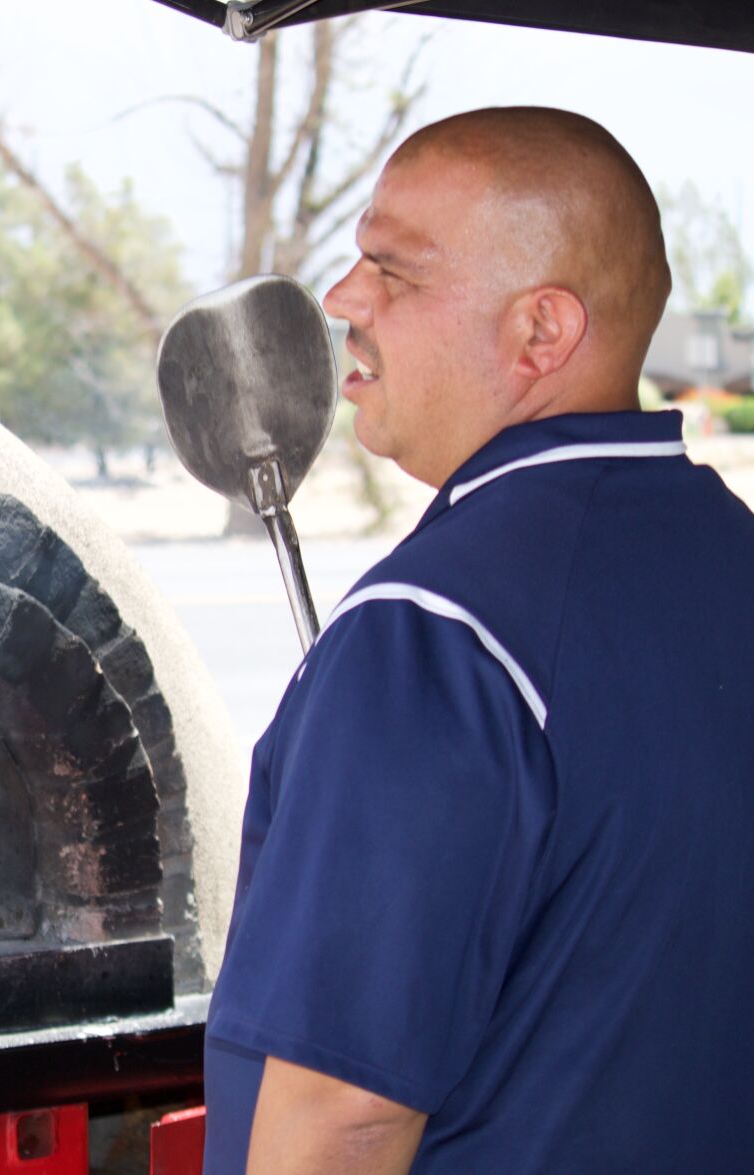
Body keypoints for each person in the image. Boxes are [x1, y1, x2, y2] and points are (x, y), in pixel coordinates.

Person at [202, 106, 754, 1174]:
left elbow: (341, 1114)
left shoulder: (431, 636)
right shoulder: (729, 555)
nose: (339, 299)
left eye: (390, 271)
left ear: (539, 331)